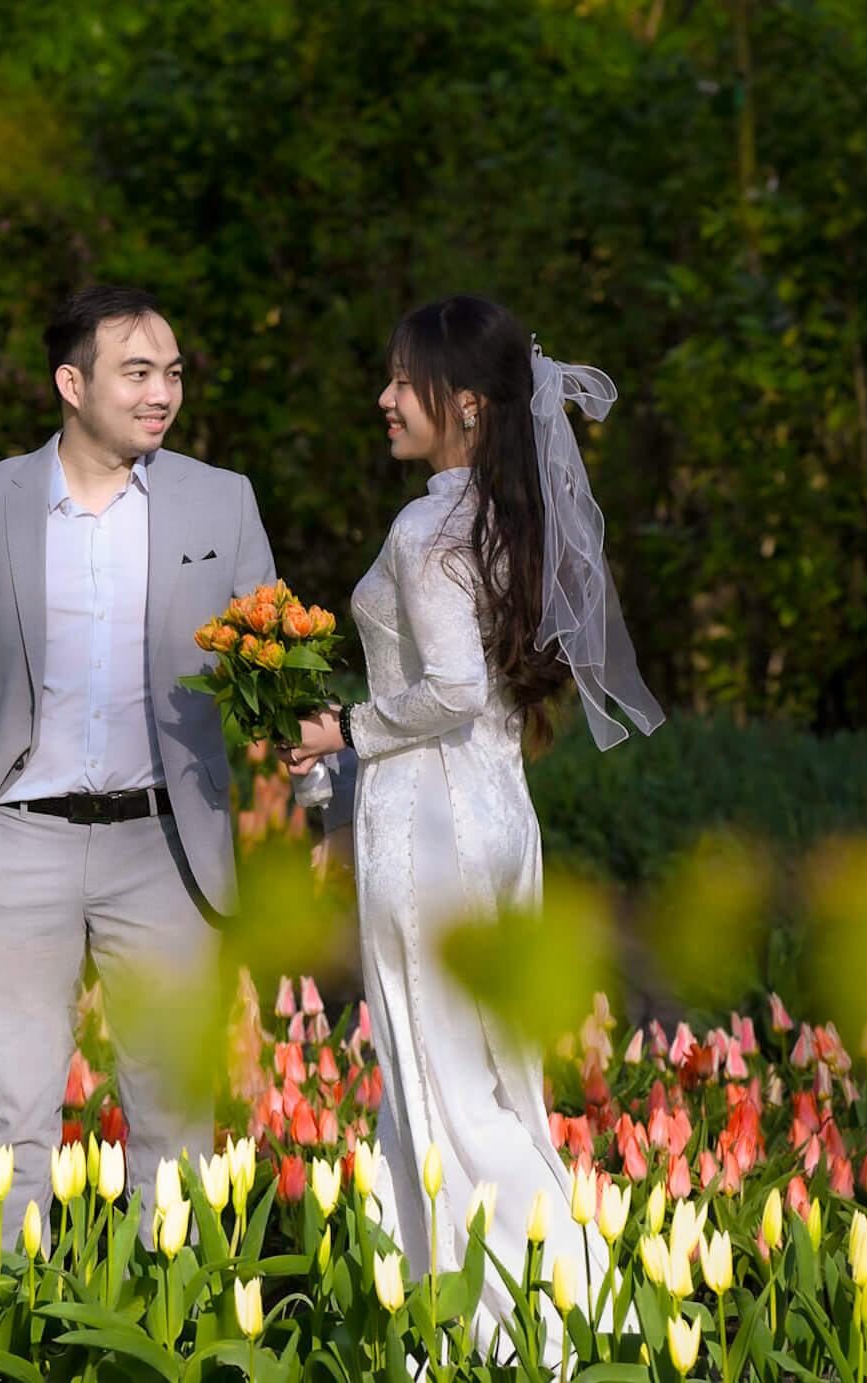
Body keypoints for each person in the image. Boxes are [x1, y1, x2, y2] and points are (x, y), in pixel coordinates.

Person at [280, 294, 663, 1350]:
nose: (383, 398)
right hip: (493, 816)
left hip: (429, 827)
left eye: (402, 381)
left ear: (463, 405)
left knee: (443, 1087)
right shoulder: (500, 521)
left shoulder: (426, 527)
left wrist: (337, 729)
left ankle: (577, 1325)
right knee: (481, 1079)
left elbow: (449, 687)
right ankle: (476, 1327)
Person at [0, 285, 275, 1233]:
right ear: (71, 384)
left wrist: (320, 763)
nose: (163, 393)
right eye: (138, 372)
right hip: (15, 842)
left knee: (174, 1122)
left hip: (165, 850)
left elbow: (271, 663)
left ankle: (169, 1311)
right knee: (15, 1120)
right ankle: (9, 1311)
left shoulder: (222, 501)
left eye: (174, 374)